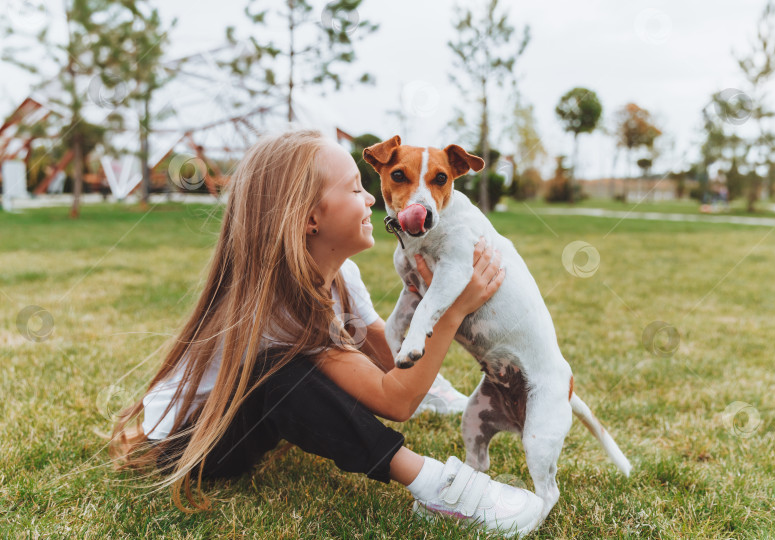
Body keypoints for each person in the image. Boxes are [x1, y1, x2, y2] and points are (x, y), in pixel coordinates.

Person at [110, 130, 544, 537]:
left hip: (242, 417)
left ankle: (441, 399)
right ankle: (438, 486)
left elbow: (394, 368)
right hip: (195, 443)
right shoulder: (282, 310)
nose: (373, 197)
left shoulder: (343, 276)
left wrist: (429, 296)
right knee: (282, 376)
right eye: (357, 188)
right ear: (310, 219)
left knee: (305, 372)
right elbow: (395, 400)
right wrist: (451, 313)